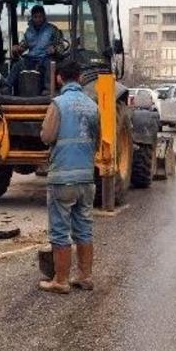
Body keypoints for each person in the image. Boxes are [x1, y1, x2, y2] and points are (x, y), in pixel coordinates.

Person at [38, 59, 100, 293]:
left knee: (59, 230)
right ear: (81, 78)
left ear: (59, 78)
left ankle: (61, 280)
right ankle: (85, 276)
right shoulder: (92, 105)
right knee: (84, 227)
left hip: (63, 177)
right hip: (86, 177)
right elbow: (96, 137)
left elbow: (47, 136)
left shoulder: (58, 104)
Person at [6, 5, 65, 95]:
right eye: (35, 17)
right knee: (17, 65)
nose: (38, 19)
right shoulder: (29, 31)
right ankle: (7, 87)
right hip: (32, 58)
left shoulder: (52, 30)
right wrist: (18, 49)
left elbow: (61, 46)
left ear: (44, 16)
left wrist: (55, 49)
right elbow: (23, 45)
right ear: (32, 17)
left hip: (46, 57)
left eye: (40, 17)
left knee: (50, 64)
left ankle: (49, 90)